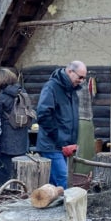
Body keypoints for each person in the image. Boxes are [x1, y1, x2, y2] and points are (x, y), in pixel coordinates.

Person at [36, 60, 86, 189]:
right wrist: (59, 140)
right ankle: (70, 209)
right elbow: (43, 115)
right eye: (80, 77)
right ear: (70, 71)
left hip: (65, 147)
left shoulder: (72, 91)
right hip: (52, 146)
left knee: (55, 187)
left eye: (84, 78)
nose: (81, 81)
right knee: (65, 183)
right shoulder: (51, 87)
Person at [0, 68, 30, 187]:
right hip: (22, 139)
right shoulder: (22, 92)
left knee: (4, 170)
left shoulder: (2, 97)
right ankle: (19, 194)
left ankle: (2, 195)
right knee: (19, 171)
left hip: (6, 140)